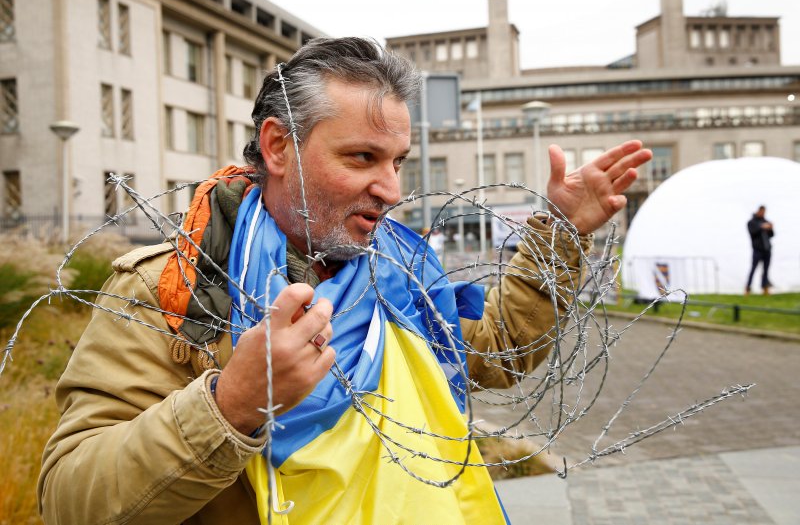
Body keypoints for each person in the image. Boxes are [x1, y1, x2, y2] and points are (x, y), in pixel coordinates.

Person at [38, 38, 651, 524]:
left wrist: (560, 231)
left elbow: (498, 354)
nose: (392, 189)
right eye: (362, 157)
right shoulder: (175, 289)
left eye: (399, 161)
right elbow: (72, 499)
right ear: (278, 147)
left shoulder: (403, 273)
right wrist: (231, 404)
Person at [746, 205, 774, 295]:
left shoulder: (766, 221)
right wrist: (762, 227)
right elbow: (753, 232)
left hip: (767, 249)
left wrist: (770, 228)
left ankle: (765, 287)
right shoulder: (751, 222)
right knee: (753, 269)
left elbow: (772, 235)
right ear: (758, 211)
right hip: (757, 250)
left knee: (766, 270)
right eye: (762, 212)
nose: (763, 213)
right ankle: (748, 287)